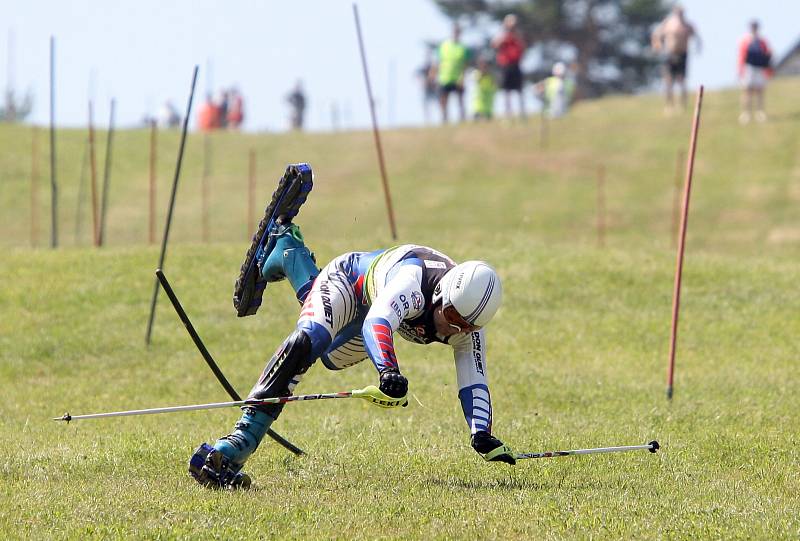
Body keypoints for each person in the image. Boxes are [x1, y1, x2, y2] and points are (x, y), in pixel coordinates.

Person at [189, 179, 514, 489]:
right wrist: (388, 370)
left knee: (329, 355)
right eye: (453, 316)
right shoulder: (414, 281)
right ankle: (236, 445)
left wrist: (481, 433)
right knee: (307, 342)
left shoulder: (467, 325)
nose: (454, 329)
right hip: (349, 283)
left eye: (467, 326)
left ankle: (288, 252)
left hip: (370, 317)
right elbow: (378, 323)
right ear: (442, 294)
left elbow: (474, 379)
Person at [651, 5, 701, 114]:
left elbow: (697, 38)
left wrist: (698, 48)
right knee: (668, 81)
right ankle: (669, 106)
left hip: (683, 55)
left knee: (682, 80)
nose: (680, 14)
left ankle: (682, 106)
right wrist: (658, 46)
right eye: (678, 12)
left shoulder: (688, 25)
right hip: (669, 54)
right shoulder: (668, 23)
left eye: (682, 12)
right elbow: (656, 35)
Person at [737, 20, 773, 124]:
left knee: (760, 91)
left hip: (760, 68)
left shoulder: (762, 41)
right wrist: (740, 70)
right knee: (747, 91)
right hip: (749, 68)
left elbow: (767, 55)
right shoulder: (745, 40)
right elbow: (741, 56)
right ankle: (745, 113)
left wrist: (768, 69)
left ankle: (760, 113)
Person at [491, 14, 526, 119]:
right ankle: (508, 114)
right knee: (507, 91)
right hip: (506, 66)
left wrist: (515, 36)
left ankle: (522, 113)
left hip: (516, 65)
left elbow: (523, 47)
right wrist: (504, 37)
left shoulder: (518, 35)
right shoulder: (502, 34)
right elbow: (494, 44)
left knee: (519, 90)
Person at [434, 24, 470, 124]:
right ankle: (444, 119)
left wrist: (463, 77)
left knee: (460, 101)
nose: (456, 33)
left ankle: (462, 120)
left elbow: (465, 64)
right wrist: (434, 75)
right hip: (444, 77)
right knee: (443, 100)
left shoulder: (463, 47)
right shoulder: (443, 46)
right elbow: (438, 62)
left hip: (458, 78)